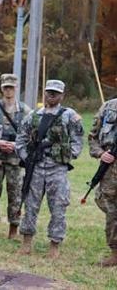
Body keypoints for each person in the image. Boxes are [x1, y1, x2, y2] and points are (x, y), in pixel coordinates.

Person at [16, 80, 84, 259]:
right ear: (44, 93)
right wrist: (26, 157)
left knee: (59, 206)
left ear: (62, 95)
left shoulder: (69, 115)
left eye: (55, 93)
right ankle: (26, 242)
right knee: (30, 204)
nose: (51, 95)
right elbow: (21, 138)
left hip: (57, 169)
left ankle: (55, 244)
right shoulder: (33, 115)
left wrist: (69, 156)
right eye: (49, 92)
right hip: (36, 168)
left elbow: (78, 138)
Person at [0, 74, 31, 239]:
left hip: (15, 161)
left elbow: (31, 134)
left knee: (16, 195)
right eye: (6, 87)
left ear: (16, 88)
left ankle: (13, 229)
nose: (8, 90)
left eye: (11, 87)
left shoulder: (25, 110)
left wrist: (17, 145)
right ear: (2, 88)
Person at [88, 97, 117, 266]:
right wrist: (100, 153)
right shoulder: (108, 107)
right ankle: (115, 252)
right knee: (110, 208)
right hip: (110, 167)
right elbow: (92, 136)